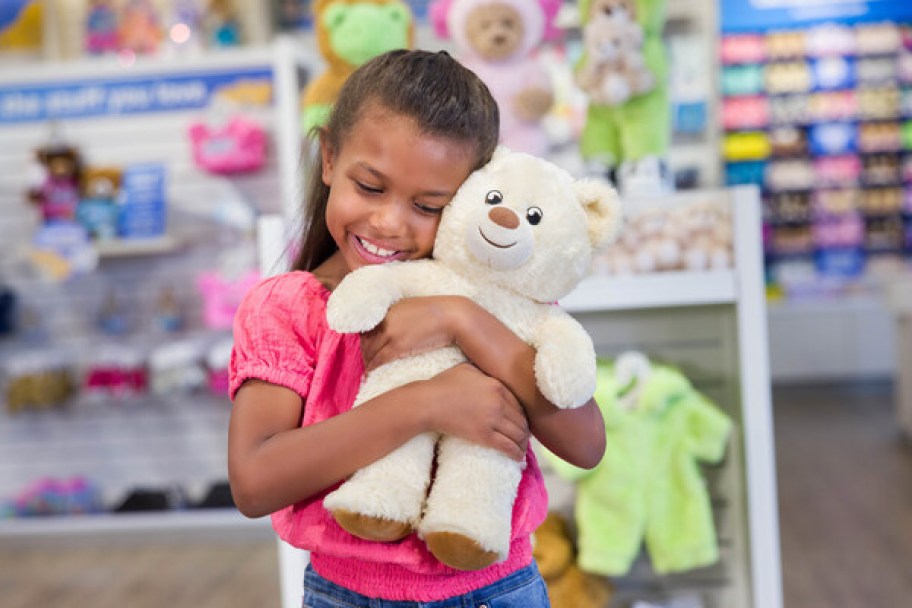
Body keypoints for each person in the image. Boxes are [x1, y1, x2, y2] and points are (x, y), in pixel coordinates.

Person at [227, 49, 606, 607]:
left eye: (430, 205)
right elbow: (255, 481)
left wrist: (461, 317)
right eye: (371, 187)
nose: (390, 223)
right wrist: (424, 404)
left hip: (498, 591)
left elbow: (586, 442)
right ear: (329, 158)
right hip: (343, 595)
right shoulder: (290, 307)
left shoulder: (501, 300)